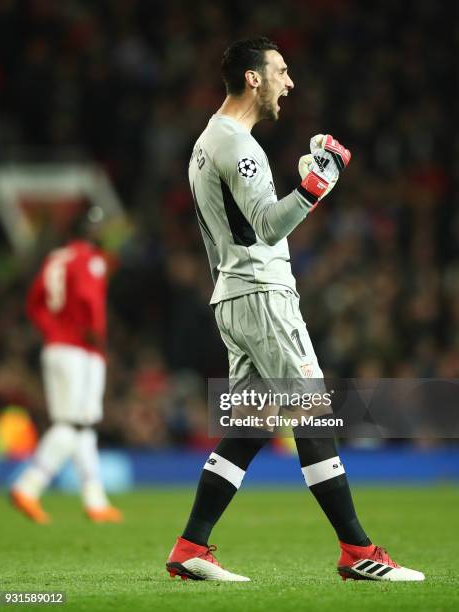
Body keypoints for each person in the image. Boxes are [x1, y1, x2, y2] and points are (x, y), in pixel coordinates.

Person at [166, 37, 424, 582]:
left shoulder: (205, 143)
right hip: (262, 295)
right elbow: (268, 225)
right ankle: (358, 551)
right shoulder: (238, 146)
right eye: (281, 71)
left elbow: (229, 237)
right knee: (313, 414)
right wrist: (317, 184)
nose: (290, 81)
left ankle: (191, 545)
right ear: (253, 78)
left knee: (252, 426)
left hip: (234, 296)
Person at [11, 207, 123, 524]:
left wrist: (52, 329)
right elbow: (89, 299)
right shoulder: (91, 258)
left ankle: (95, 500)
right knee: (72, 424)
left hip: (56, 347)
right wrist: (96, 336)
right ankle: (28, 486)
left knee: (82, 425)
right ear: (91, 231)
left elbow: (34, 302)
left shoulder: (56, 257)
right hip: (81, 351)